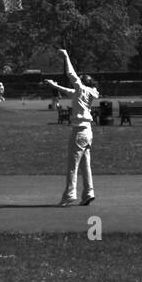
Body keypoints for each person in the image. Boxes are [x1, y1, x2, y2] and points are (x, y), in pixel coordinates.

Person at [43, 48, 100, 207]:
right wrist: (54, 85)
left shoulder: (81, 89)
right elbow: (68, 90)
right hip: (88, 131)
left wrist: (66, 56)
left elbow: (71, 74)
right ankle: (89, 193)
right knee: (85, 165)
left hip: (79, 132)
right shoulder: (85, 92)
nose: (78, 80)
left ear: (84, 83)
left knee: (72, 166)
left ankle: (69, 195)